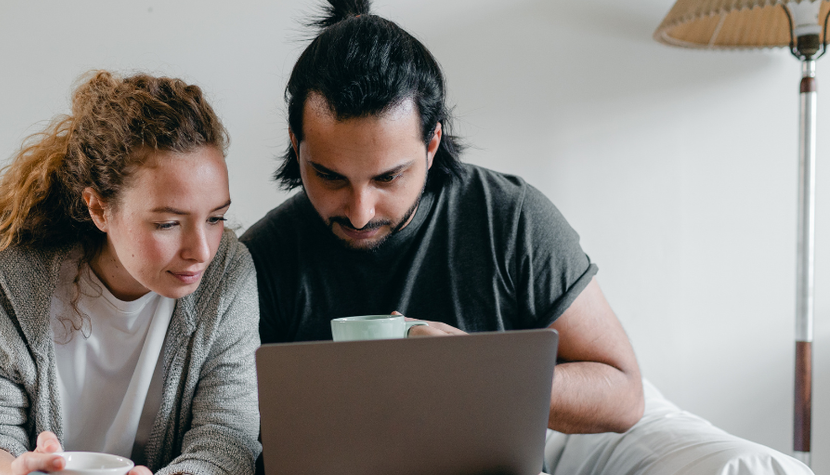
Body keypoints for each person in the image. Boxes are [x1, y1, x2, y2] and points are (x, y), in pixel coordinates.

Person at [240, 0, 645, 440]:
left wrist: (478, 370)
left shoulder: (510, 220)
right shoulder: (260, 259)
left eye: (388, 177)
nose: (359, 212)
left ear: (432, 144)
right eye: (329, 176)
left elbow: (624, 396)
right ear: (295, 144)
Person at [0, 71, 261, 475]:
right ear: (98, 208)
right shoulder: (8, 275)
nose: (201, 251)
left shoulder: (227, 274)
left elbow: (227, 440)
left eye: (216, 218)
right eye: (167, 224)